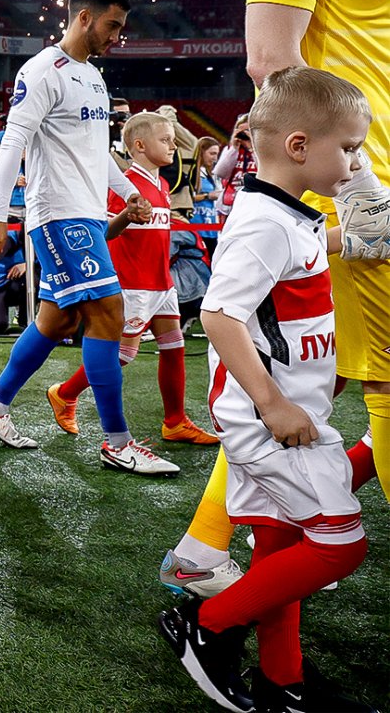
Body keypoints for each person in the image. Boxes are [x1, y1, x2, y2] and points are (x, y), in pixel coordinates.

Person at [158, 0, 390, 602]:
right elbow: (271, 63)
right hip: (353, 199)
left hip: (367, 192)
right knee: (380, 385)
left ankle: (205, 547)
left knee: (323, 386)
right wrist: (359, 195)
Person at [159, 68, 375, 713]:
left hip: (286, 412)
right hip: (270, 422)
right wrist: (274, 403)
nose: (356, 163)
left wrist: (354, 235)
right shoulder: (265, 223)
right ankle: (209, 625)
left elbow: (299, 260)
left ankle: (283, 684)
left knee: (280, 551)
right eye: (349, 149)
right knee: (341, 543)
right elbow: (219, 316)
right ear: (300, 146)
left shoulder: (287, 214)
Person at [0, 0, 180, 475]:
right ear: (84, 18)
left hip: (86, 212)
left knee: (58, 321)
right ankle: (117, 443)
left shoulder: (93, 78)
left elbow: (95, 150)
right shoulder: (44, 69)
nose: (117, 37)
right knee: (109, 312)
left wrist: (125, 190)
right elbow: (13, 141)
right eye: (112, 25)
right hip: (59, 214)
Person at [45, 112, 219, 445]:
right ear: (139, 145)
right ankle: (65, 393)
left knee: (174, 347)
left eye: (172, 140)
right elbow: (104, 233)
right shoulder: (123, 185)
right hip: (133, 285)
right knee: (124, 355)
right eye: (165, 140)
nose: (172, 147)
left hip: (161, 283)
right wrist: (127, 214)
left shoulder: (163, 185)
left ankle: (175, 422)